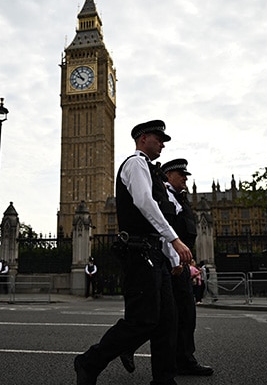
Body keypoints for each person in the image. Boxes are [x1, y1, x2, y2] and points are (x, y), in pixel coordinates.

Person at [74, 120, 192, 385]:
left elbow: (159, 220)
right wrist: (175, 241)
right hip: (138, 252)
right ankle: (89, 361)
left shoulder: (153, 172)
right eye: (159, 138)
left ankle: (164, 379)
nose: (163, 144)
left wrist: (172, 256)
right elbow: (143, 203)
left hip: (155, 252)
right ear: (143, 138)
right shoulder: (135, 164)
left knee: (166, 322)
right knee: (143, 320)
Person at [120, 158, 213, 377]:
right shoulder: (159, 195)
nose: (185, 179)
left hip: (179, 262)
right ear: (168, 175)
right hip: (166, 262)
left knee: (184, 314)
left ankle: (183, 360)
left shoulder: (181, 199)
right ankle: (128, 346)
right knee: (159, 315)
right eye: (181, 175)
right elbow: (161, 230)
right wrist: (173, 260)